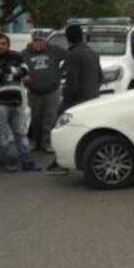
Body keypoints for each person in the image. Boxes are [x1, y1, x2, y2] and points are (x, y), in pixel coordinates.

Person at [45, 24, 103, 176]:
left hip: (77, 100)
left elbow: (72, 82)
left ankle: (60, 161)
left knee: (61, 128)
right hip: (92, 97)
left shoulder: (73, 55)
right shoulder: (93, 53)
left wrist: (66, 102)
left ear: (68, 38)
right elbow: (100, 77)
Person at [0, 34, 39, 173]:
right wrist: (15, 72)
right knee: (3, 135)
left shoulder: (17, 56)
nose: (0, 46)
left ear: (8, 45)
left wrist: (8, 72)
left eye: (3, 43)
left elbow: (26, 70)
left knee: (21, 133)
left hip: (16, 101)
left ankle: (27, 163)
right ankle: (9, 164)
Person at [21, 28, 66, 153]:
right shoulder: (25, 53)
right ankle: (36, 142)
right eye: (36, 41)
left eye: (41, 41)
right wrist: (23, 77)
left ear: (45, 41)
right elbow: (19, 68)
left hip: (52, 90)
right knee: (36, 119)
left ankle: (47, 143)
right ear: (32, 41)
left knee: (50, 118)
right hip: (34, 91)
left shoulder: (55, 50)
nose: (38, 43)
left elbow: (69, 57)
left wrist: (61, 73)